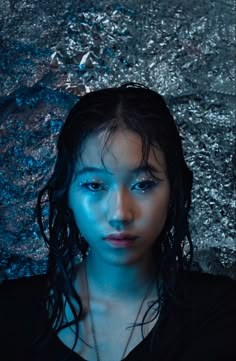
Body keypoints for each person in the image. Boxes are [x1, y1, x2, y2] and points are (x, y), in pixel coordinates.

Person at [0, 83, 235, 361]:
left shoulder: (223, 313)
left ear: (173, 190)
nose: (120, 213)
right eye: (95, 185)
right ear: (67, 194)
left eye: (144, 184)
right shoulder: (9, 312)